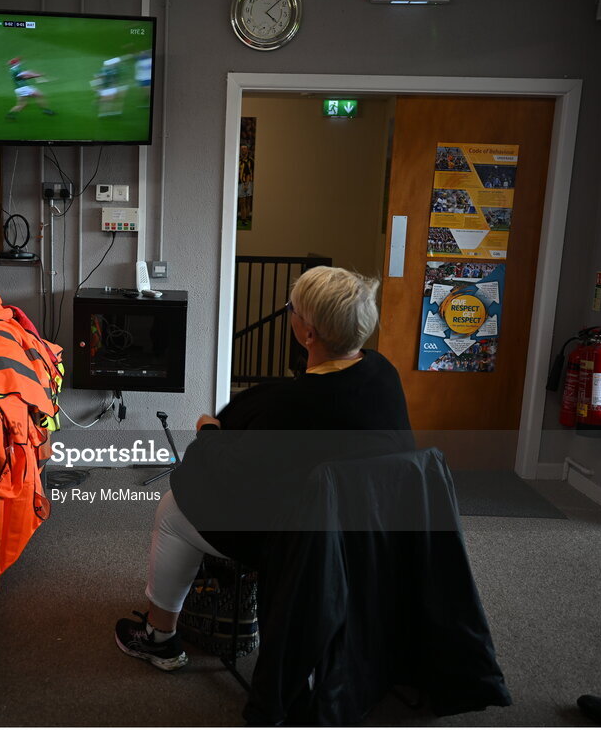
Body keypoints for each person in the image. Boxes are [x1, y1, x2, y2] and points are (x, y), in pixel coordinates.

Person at [114, 266, 414, 671]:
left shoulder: (281, 403)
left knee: (172, 507)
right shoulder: (384, 375)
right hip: (372, 532)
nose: (289, 313)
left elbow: (226, 472)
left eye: (293, 309)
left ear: (308, 334)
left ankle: (159, 637)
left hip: (300, 543)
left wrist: (207, 432)